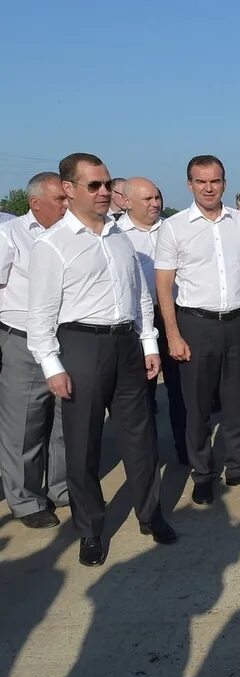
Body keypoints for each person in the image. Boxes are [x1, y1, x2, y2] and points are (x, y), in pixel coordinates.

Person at [27, 153, 174, 567]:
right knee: (84, 443)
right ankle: (91, 529)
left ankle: (151, 514)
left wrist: (149, 344)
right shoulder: (51, 246)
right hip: (81, 345)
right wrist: (53, 367)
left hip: (126, 343)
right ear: (69, 190)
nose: (104, 192)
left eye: (107, 184)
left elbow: (139, 295)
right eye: (94, 186)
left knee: (141, 437)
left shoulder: (118, 236)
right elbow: (40, 316)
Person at [156, 155, 240, 507]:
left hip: (238, 321)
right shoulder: (174, 227)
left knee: (238, 399)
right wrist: (173, 334)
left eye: (216, 181)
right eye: (201, 181)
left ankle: (239, 466)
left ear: (224, 183)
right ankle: (203, 474)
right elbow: (164, 285)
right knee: (198, 405)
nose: (209, 188)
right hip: (196, 323)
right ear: (190, 184)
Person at [0, 172, 69, 529]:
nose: (66, 204)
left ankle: (61, 486)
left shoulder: (72, 235)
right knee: (24, 424)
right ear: (35, 202)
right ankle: (25, 499)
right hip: (24, 341)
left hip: (66, 341)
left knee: (62, 421)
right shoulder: (10, 236)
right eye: (59, 198)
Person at [119, 177, 188, 464]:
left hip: (172, 315)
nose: (155, 204)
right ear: (126, 201)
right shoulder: (115, 234)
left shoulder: (172, 229)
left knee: (181, 388)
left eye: (157, 197)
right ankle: (146, 456)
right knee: (140, 393)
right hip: (136, 324)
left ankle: (186, 448)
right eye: (147, 199)